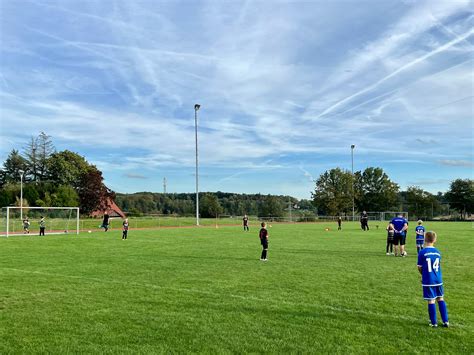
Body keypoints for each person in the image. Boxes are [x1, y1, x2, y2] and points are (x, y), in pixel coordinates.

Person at [417, 231, 449, 328]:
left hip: (429, 280)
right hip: (438, 279)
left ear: (425, 239)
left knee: (431, 300)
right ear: (435, 240)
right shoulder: (438, 252)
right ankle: (445, 321)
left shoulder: (422, 252)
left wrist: (424, 274)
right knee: (440, 298)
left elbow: (419, 267)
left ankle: (434, 322)